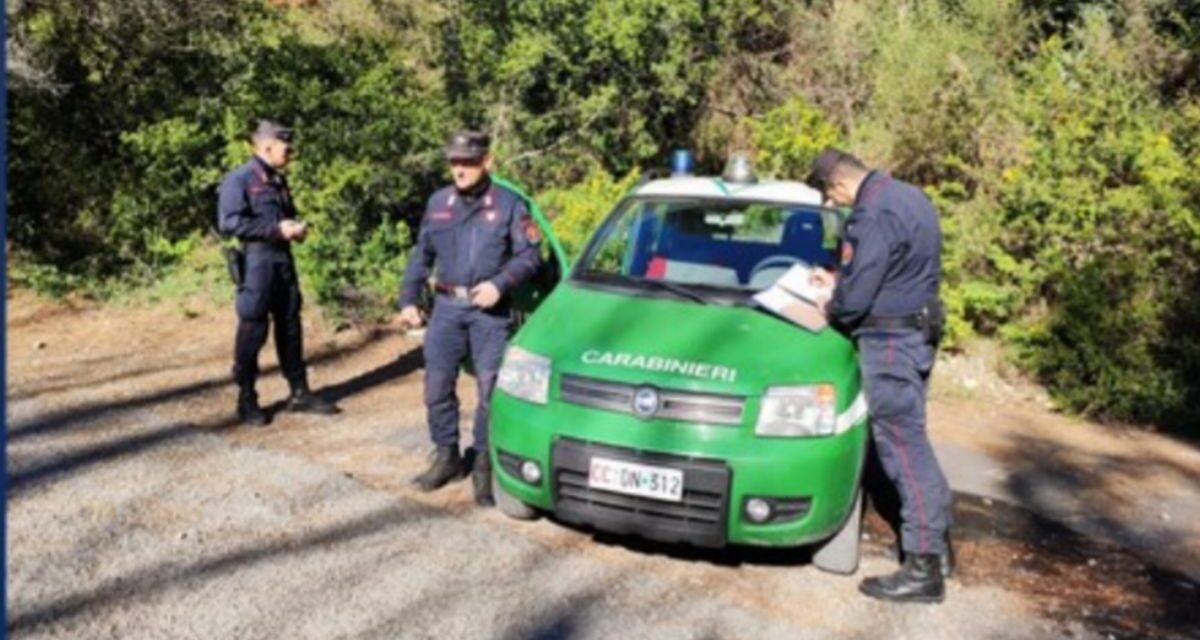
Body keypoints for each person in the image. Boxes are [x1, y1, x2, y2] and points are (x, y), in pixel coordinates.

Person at [807, 148, 953, 603]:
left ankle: (924, 568)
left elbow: (856, 298)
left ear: (837, 185)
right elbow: (900, 272)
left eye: (831, 199)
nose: (835, 207)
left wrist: (830, 301)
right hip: (917, 332)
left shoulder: (870, 214)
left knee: (903, 449)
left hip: (889, 343)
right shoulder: (911, 197)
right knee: (914, 440)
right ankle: (939, 547)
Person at [398, 129, 541, 506]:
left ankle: (482, 463)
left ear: (487, 162)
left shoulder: (510, 204)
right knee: (437, 386)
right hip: (446, 308)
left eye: (468, 162)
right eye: (454, 162)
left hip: (489, 312)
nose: (459, 169)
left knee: (489, 391)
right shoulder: (438, 202)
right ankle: (446, 456)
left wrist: (500, 283)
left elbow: (531, 256)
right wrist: (408, 299)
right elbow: (421, 256)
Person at [216, 119, 338, 426]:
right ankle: (247, 397)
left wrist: (295, 229)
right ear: (267, 145)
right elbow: (229, 223)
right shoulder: (240, 179)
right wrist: (275, 230)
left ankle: (299, 392)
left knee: (290, 326)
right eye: (287, 146)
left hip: (283, 261)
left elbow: (286, 216)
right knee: (253, 329)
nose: (292, 152)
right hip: (257, 263)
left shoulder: (277, 180)